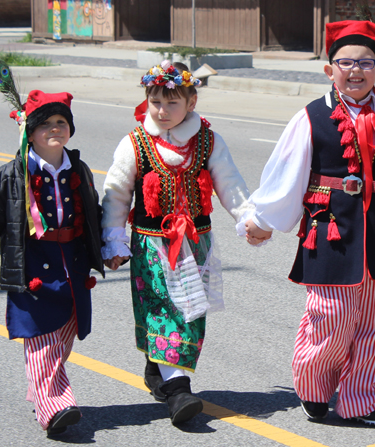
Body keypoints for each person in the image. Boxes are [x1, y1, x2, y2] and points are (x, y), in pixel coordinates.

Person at [244, 20, 375, 426]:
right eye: (346, 62)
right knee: (330, 319)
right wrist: (263, 219)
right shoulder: (311, 117)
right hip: (331, 232)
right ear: (329, 69)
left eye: (367, 62)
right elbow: (287, 174)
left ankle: (366, 400)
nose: (356, 70)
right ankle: (316, 388)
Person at [101, 61, 252, 425]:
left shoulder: (208, 142)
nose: (162, 110)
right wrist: (113, 240)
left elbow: (229, 184)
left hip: (197, 244)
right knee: (164, 310)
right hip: (153, 247)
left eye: (172, 102)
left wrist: (248, 218)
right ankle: (178, 389)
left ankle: (159, 369)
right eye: (155, 101)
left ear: (191, 101)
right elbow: (116, 196)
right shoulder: (134, 142)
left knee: (191, 313)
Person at [0, 89, 105, 437]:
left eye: (61, 122)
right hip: (32, 266)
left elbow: (93, 216)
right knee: (42, 339)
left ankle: (42, 393)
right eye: (45, 124)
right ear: (29, 130)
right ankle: (54, 407)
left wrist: (107, 249)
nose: (54, 129)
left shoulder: (80, 169)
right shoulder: (6, 177)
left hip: (72, 264)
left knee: (64, 336)